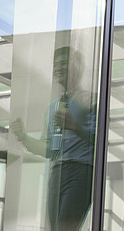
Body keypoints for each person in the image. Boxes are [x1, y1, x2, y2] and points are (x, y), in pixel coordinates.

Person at [10, 46, 96, 231]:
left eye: (64, 63)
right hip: (57, 173)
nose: (58, 68)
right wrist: (24, 138)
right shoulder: (52, 108)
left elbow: (102, 141)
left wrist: (75, 127)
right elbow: (49, 149)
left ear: (78, 67)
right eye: (55, 64)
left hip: (81, 172)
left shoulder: (92, 100)